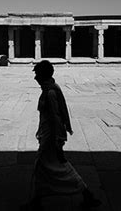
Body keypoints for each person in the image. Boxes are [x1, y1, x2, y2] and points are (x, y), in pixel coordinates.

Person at [26, 60, 101, 210]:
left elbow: (56, 119)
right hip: (47, 136)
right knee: (42, 169)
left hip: (51, 139)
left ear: (43, 75)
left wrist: (58, 142)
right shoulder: (49, 89)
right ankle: (36, 202)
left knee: (59, 168)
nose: (35, 78)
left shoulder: (51, 93)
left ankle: (86, 194)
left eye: (37, 74)